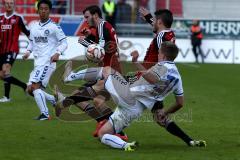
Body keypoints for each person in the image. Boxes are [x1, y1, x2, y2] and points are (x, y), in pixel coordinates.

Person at [62, 9, 205, 147]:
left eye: (155, 20)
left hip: (144, 78)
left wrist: (138, 63)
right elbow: (162, 37)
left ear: (160, 22)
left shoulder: (162, 40)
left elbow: (162, 54)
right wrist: (149, 18)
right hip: (154, 89)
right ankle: (189, 140)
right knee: (159, 117)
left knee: (103, 82)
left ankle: (70, 95)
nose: (152, 23)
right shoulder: (169, 34)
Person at [55, 5, 127, 139]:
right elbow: (104, 45)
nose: (85, 20)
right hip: (106, 69)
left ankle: (118, 131)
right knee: (90, 99)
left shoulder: (101, 26)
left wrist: (85, 42)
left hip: (110, 71)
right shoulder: (104, 27)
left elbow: (100, 51)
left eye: (87, 17)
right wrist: (90, 37)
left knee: (93, 100)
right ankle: (104, 122)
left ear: (95, 15)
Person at [22, 0, 68, 120]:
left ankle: (45, 114)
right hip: (37, 63)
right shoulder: (34, 27)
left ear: (49, 10)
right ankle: (55, 100)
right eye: (41, 9)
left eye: (46, 9)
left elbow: (64, 42)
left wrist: (58, 52)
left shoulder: (54, 27)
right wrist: (27, 52)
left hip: (48, 62)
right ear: (38, 10)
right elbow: (31, 43)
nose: (43, 11)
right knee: (30, 90)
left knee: (36, 87)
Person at [0, 0, 30, 102]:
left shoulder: (17, 18)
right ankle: (24, 85)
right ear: (4, 5)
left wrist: (35, 39)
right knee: (2, 75)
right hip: (1, 49)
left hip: (12, 49)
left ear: (14, 5)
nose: (9, 5)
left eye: (11, 3)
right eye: (7, 3)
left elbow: (26, 32)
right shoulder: (0, 18)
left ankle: (6, 97)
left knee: (6, 69)